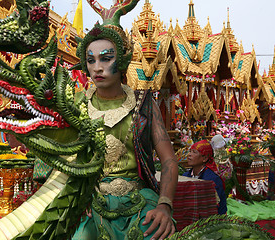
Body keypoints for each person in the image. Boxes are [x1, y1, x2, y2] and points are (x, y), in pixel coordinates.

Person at [71, 1, 178, 239]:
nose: (97, 68)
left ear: (121, 61)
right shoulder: (77, 105)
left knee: (159, 234)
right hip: (91, 203)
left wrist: (164, 205)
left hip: (139, 202)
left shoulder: (144, 104)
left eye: (106, 59)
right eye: (91, 61)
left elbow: (169, 160)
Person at [183, 139, 227, 214]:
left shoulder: (212, 180)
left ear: (204, 158)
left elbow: (214, 206)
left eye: (194, 152)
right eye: (190, 151)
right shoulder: (185, 176)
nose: (189, 154)